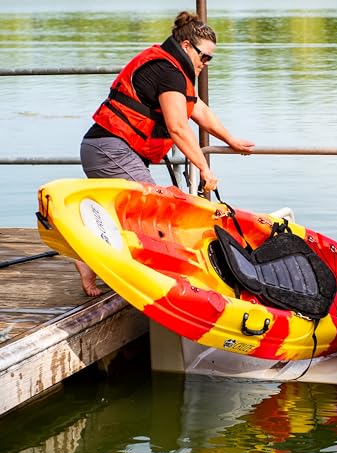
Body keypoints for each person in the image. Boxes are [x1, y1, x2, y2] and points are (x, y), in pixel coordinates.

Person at [75, 11, 255, 296]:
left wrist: (231, 139)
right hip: (110, 149)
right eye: (203, 57)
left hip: (107, 148)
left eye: (210, 59)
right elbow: (178, 128)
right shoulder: (169, 71)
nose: (205, 64)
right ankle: (156, 285)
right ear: (186, 47)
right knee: (153, 214)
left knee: (130, 214)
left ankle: (87, 259)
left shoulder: (173, 68)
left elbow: (199, 110)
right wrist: (204, 169)